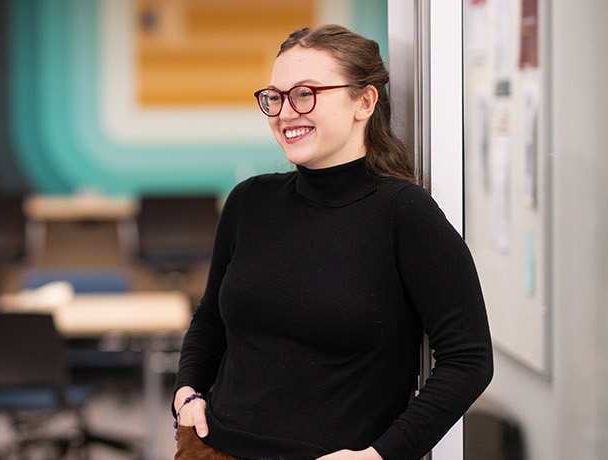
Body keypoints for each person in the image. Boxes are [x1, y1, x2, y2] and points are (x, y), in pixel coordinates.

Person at [171, 25, 494, 460]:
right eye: (275, 96)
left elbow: (468, 360)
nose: (285, 112)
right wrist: (187, 391)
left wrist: (381, 454)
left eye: (305, 94)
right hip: (212, 448)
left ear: (364, 102)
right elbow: (211, 319)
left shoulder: (405, 213)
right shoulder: (249, 200)